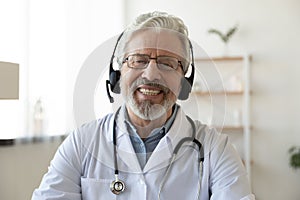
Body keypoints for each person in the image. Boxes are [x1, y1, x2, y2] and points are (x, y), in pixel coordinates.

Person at [32, 11, 255, 200]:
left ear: (184, 82)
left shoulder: (216, 150)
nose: (151, 74)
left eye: (168, 63)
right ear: (118, 74)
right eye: (139, 60)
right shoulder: (82, 142)